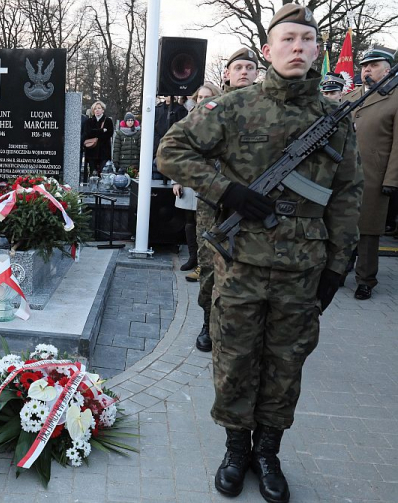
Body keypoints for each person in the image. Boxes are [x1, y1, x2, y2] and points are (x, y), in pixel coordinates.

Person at [157, 5, 362, 502]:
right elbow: (171, 151)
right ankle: (235, 449)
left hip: (303, 269)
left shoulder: (334, 120)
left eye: (306, 40)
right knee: (234, 359)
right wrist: (227, 191)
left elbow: (347, 193)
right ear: (268, 51)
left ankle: (268, 451)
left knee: (286, 363)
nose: (297, 47)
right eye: (286, 39)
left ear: (317, 51)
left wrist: (339, 266)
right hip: (241, 264)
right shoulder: (233, 107)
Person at [195, 50, 259, 354]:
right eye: (238, 67)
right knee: (210, 263)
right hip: (213, 200)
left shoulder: (269, 108)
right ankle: (208, 323)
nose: (244, 72)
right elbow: (188, 153)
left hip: (254, 202)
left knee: (248, 265)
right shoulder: (212, 109)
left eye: (250, 67)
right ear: (227, 73)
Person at [342, 45, 398, 300]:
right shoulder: (352, 96)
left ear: (387, 70)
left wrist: (392, 180)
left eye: (373, 65)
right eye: (365, 65)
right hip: (345, 173)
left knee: (368, 231)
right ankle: (341, 268)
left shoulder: (395, 98)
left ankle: (365, 279)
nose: (367, 70)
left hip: (375, 174)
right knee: (342, 224)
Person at [172, 83, 222, 278]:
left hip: (211, 180)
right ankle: (193, 257)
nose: (202, 101)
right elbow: (178, 152)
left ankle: (205, 264)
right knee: (190, 221)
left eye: (207, 97)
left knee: (208, 223)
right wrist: (176, 180)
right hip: (188, 178)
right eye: (200, 97)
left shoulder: (221, 118)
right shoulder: (188, 120)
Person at [83, 100, 114, 177]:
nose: (97, 110)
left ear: (103, 110)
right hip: (91, 151)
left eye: (99, 108)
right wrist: (101, 131)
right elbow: (88, 133)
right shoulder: (89, 121)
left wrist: (95, 133)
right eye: (95, 109)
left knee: (103, 174)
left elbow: (109, 134)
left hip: (104, 151)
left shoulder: (108, 121)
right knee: (93, 174)